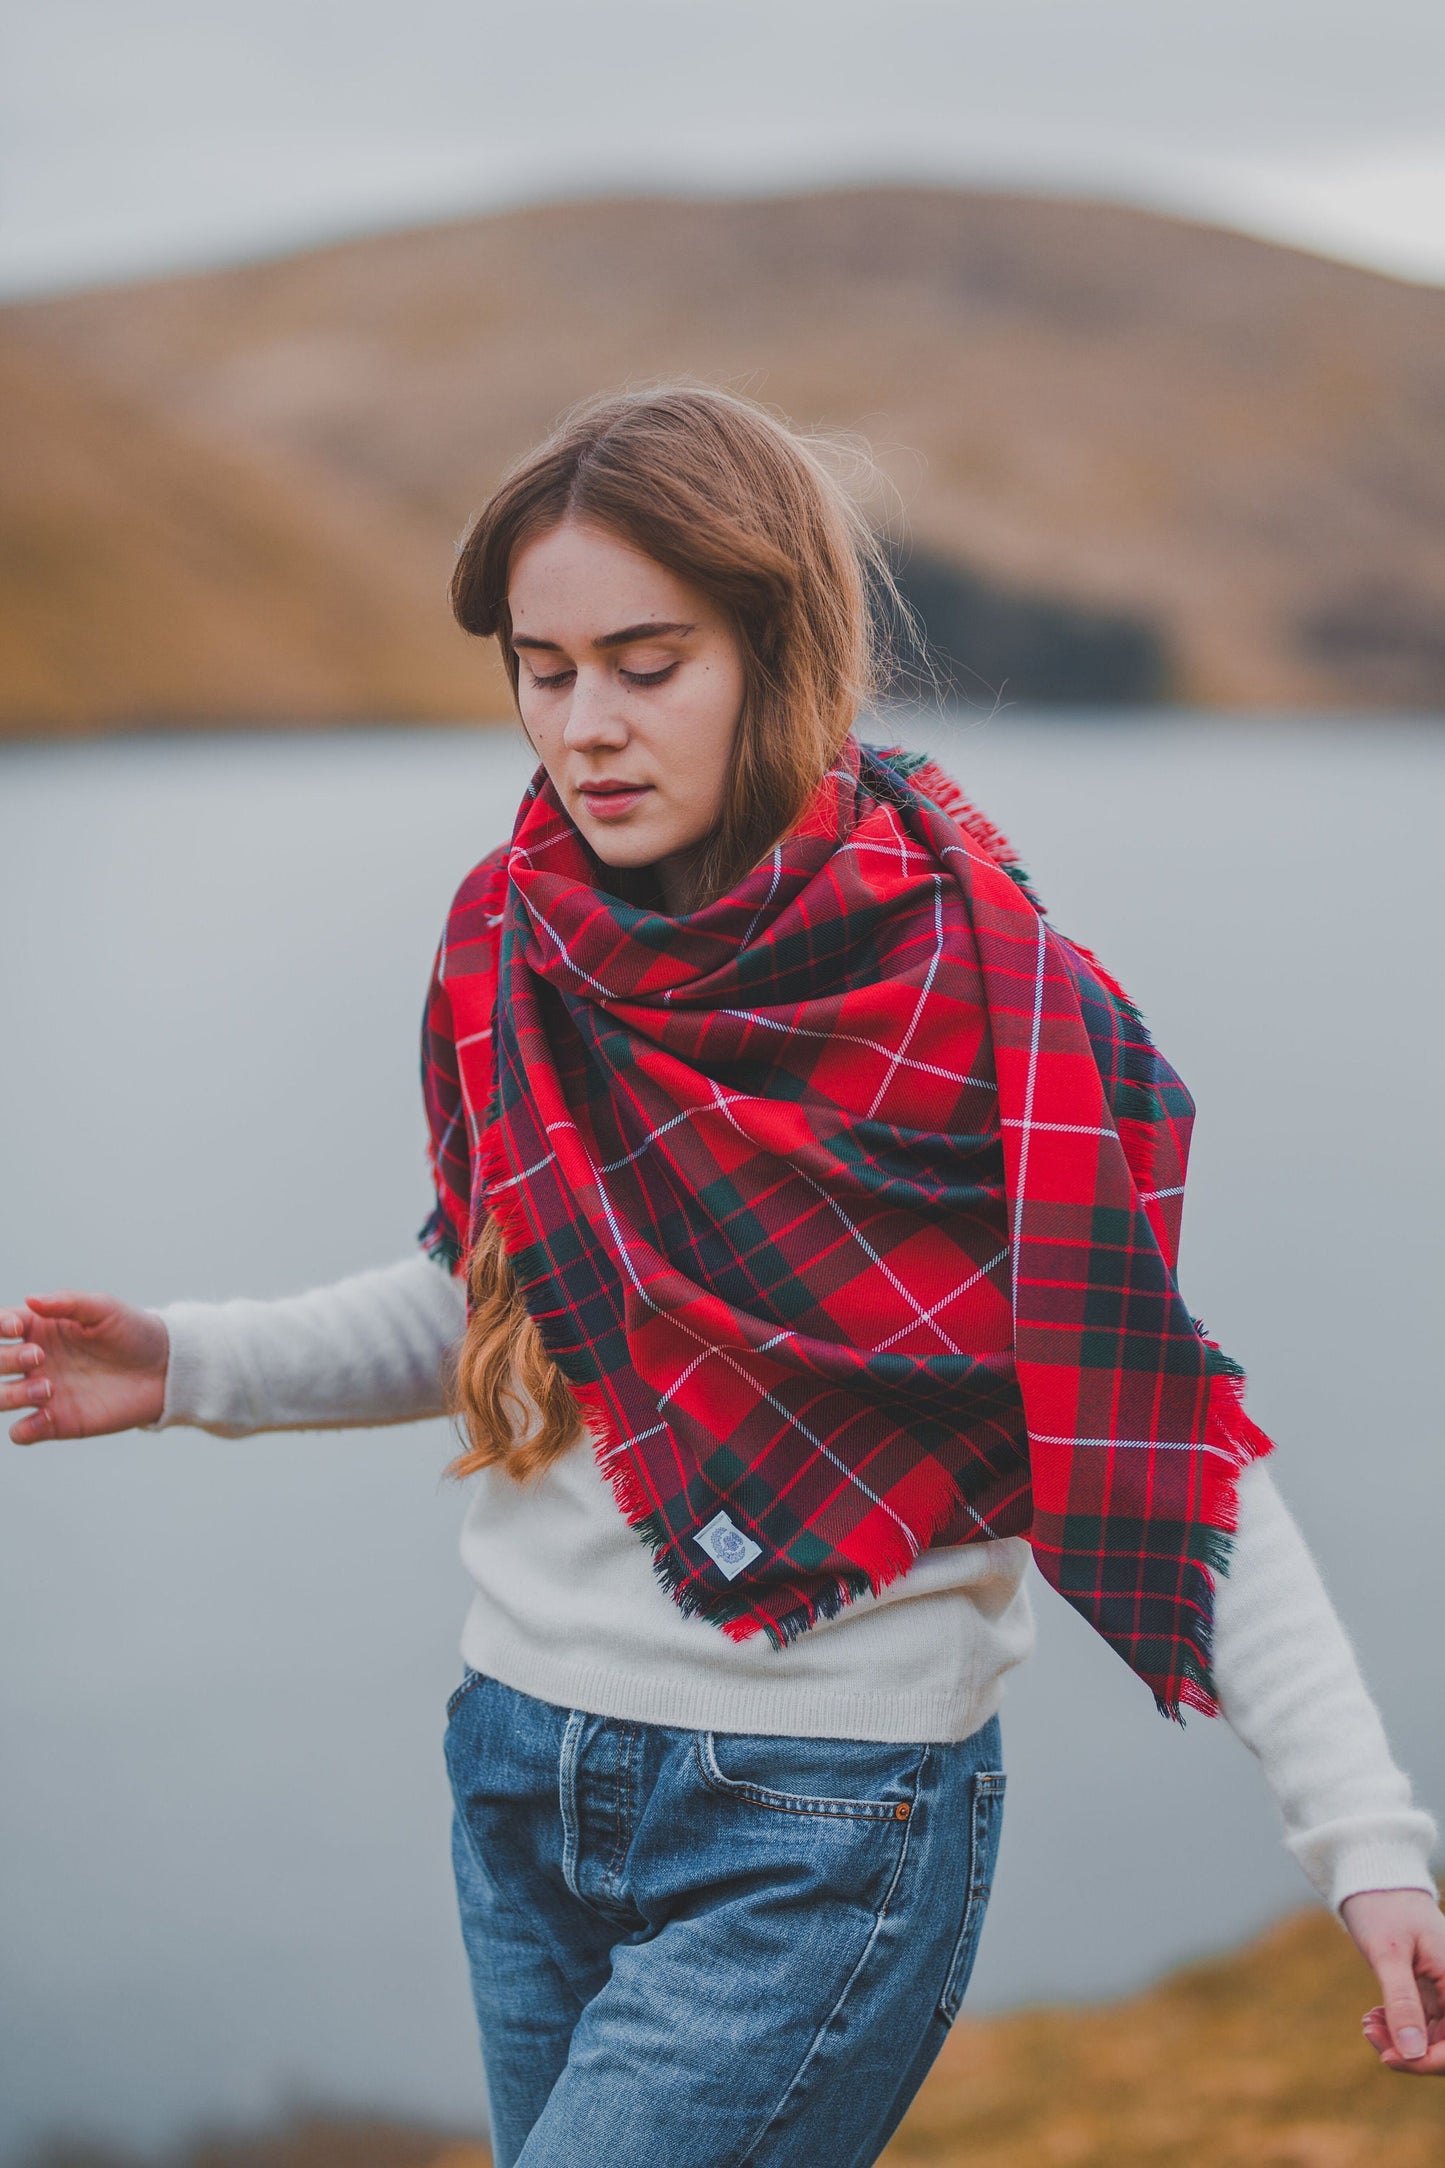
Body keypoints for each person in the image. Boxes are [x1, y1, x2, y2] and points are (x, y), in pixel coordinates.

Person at [3, 385, 1441, 2166]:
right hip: (520, 1770)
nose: (585, 728)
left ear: (780, 651)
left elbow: (1154, 1425)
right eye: (543, 669)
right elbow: (517, 1307)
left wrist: (1361, 1837)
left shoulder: (987, 1003)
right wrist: (186, 1364)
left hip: (820, 1823)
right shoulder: (515, 945)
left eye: (646, 662)